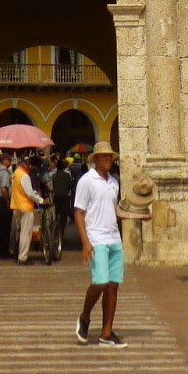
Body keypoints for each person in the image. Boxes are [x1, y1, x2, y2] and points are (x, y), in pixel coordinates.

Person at [74, 140, 127, 350]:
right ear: (95, 159)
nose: (108, 160)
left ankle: (106, 332)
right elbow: (78, 212)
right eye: (105, 157)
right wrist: (85, 242)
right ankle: (85, 316)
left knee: (113, 285)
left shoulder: (114, 182)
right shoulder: (86, 181)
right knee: (100, 282)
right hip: (96, 237)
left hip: (114, 238)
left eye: (110, 157)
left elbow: (116, 213)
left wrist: (138, 215)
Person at [10, 150, 40, 264]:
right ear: (21, 163)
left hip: (16, 206)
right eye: (26, 163)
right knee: (25, 233)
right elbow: (30, 193)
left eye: (29, 163)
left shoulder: (15, 173)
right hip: (25, 207)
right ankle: (22, 257)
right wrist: (41, 200)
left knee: (19, 231)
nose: (29, 165)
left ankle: (16, 252)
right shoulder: (24, 175)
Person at [52, 155, 73, 254]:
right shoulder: (67, 176)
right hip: (65, 197)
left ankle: (55, 232)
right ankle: (61, 232)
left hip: (56, 198)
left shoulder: (54, 176)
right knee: (63, 217)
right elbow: (70, 186)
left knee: (55, 215)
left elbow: (52, 187)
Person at [0, 155, 13, 257]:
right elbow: (4, 190)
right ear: (3, 161)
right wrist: (8, 201)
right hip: (3, 200)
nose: (10, 161)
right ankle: (4, 251)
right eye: (8, 159)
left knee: (0, 226)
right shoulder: (4, 172)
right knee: (5, 227)